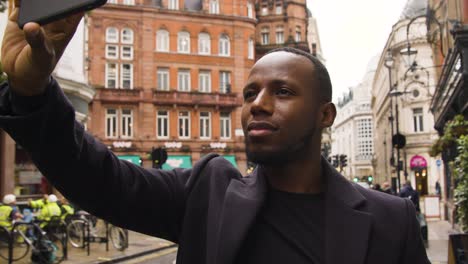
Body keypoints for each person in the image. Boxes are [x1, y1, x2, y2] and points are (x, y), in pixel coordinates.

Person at [0, 5, 429, 263]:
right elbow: (99, 178)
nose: (257, 104)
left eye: (282, 91)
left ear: (325, 115)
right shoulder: (207, 190)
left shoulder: (390, 221)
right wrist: (32, 91)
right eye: (249, 93)